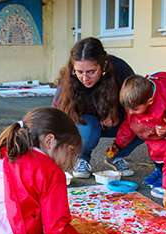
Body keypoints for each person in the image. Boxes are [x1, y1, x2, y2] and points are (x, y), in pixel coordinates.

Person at [53, 37, 143, 178]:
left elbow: (136, 100)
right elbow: (57, 116)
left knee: (145, 123)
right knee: (88, 129)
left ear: (103, 66)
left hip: (118, 121)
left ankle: (116, 155)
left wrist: (115, 112)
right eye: (79, 72)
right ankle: (82, 158)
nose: (85, 78)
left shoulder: (120, 69)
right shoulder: (68, 78)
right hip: (87, 124)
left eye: (91, 71)